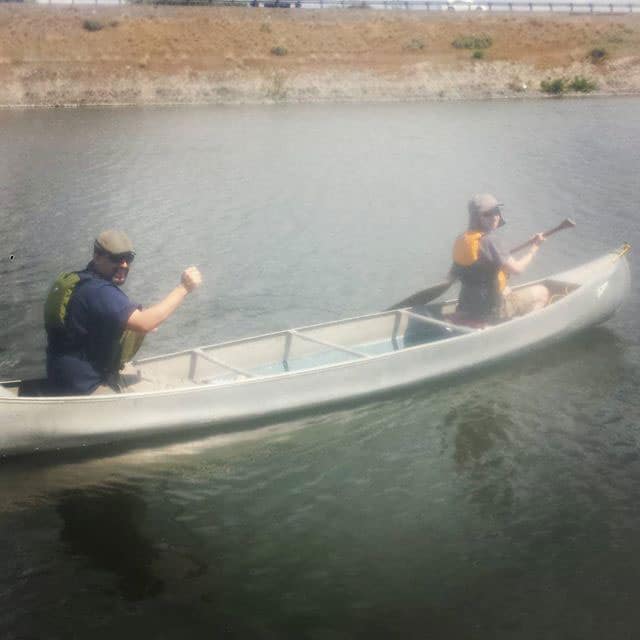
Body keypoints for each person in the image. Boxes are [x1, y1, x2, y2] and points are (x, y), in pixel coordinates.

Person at [44, 230, 202, 395]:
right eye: (116, 259)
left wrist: (140, 321)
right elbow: (145, 323)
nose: (124, 265)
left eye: (129, 258)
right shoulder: (99, 292)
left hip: (61, 376)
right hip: (86, 386)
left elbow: (99, 318)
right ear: (97, 257)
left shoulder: (81, 281)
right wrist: (184, 288)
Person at [450, 194, 549, 324]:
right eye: (488, 214)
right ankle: (523, 330)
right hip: (491, 310)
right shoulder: (491, 241)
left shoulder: (462, 239)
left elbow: (454, 275)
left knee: (506, 289)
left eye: (496, 211)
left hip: (466, 306)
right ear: (478, 218)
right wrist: (534, 248)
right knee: (542, 292)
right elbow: (517, 269)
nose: (495, 216)